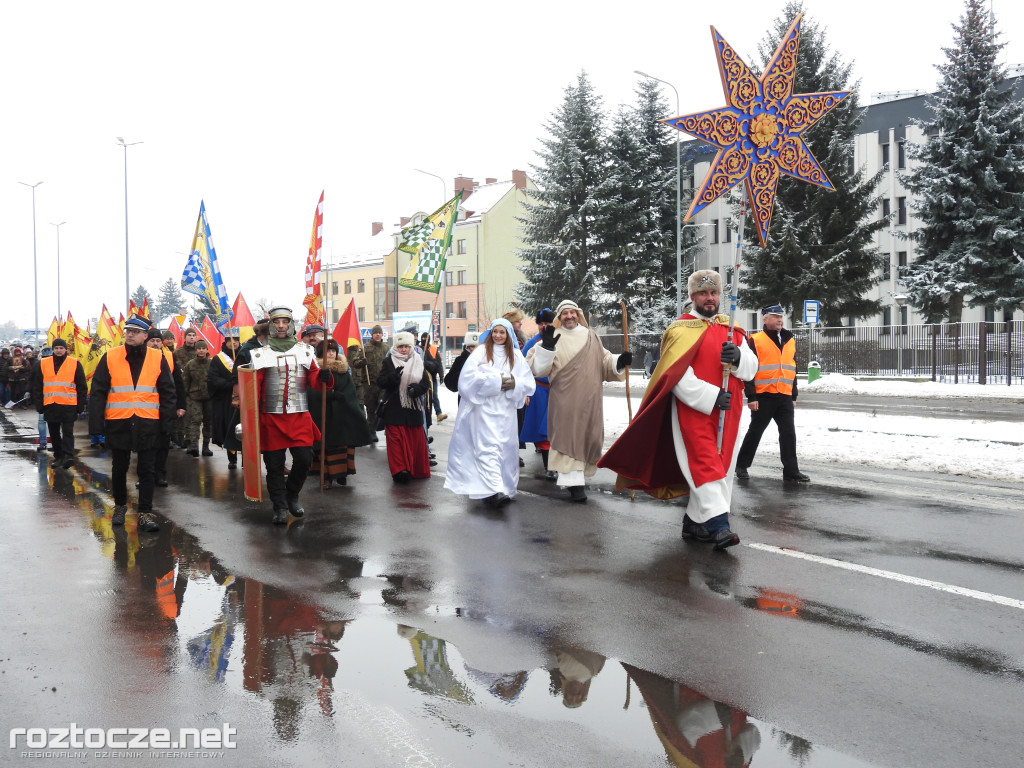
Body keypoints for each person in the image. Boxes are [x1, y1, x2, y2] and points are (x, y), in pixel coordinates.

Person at [598, 270, 758, 550]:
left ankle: (694, 523)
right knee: (705, 464)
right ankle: (719, 525)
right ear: (693, 297)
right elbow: (676, 375)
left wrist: (739, 358)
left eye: (713, 293)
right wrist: (711, 395)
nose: (709, 298)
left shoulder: (732, 329)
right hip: (694, 410)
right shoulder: (679, 330)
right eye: (703, 293)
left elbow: (751, 368)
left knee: (722, 466)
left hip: (729, 410)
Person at [525, 300, 631, 502]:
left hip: (590, 398)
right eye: (564, 313)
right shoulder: (553, 337)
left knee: (587, 437)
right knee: (567, 436)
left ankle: (578, 478)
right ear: (559, 317)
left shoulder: (591, 336)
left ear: (578, 314)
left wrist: (619, 361)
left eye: (572, 312)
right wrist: (547, 348)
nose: (569, 316)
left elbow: (604, 361)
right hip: (564, 399)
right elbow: (538, 369)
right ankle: (574, 484)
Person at [88, 314, 176, 532]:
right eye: (128, 331)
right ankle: (119, 506)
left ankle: (145, 513)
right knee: (119, 468)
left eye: (135, 332)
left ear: (145, 335)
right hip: (119, 422)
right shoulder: (110, 356)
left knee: (147, 470)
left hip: (148, 422)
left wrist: (167, 424)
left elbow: (168, 392)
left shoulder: (157, 357)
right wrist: (96, 426)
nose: (130, 335)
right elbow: (98, 392)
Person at [246, 306, 330, 524]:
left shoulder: (305, 351)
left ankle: (292, 494)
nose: (281, 326)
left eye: (285, 322)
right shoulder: (260, 354)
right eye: (277, 322)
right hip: (271, 418)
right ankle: (280, 507)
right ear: (271, 326)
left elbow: (313, 379)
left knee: (304, 459)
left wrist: (324, 376)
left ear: (291, 325)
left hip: (299, 417)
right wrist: (250, 417)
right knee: (274, 466)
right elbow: (254, 388)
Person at [444, 319, 535, 507]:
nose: (498, 336)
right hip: (484, 410)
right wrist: (494, 382)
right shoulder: (480, 352)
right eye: (495, 332)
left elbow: (527, 383)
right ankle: (492, 490)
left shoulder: (516, 356)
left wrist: (513, 383)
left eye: (502, 332)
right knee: (487, 448)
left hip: (506, 412)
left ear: (508, 335)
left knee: (505, 449)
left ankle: (505, 487)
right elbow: (467, 380)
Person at [735, 305, 810, 483]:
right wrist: (751, 397)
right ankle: (741, 465)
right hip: (764, 396)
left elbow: (792, 368)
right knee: (755, 432)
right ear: (765, 319)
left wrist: (793, 395)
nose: (779, 320)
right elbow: (749, 370)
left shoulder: (789, 340)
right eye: (775, 316)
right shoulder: (755, 340)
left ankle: (791, 471)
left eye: (781, 317)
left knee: (788, 433)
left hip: (784, 395)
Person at [309, 339, 372, 488]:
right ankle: (327, 477)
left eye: (333, 351)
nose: (331, 353)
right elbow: (312, 391)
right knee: (326, 446)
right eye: (328, 351)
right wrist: (330, 395)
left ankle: (341, 473)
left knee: (343, 444)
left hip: (341, 413)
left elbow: (350, 389)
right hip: (324, 414)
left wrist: (344, 397)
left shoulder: (343, 370)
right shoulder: (316, 370)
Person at [376, 330, 431, 483]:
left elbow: (425, 383)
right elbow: (380, 382)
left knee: (414, 442)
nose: (404, 349)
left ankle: (414, 469)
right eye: (401, 346)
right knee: (396, 443)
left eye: (406, 346)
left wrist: (416, 389)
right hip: (394, 409)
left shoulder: (417, 360)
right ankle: (399, 471)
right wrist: (392, 379)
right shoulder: (389, 361)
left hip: (413, 409)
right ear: (396, 347)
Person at [30, 338, 86, 469]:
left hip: (69, 405)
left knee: (67, 432)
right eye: (56, 348)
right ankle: (59, 456)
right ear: (53, 350)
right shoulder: (43, 363)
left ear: (66, 349)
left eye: (61, 348)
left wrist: (80, 405)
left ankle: (68, 456)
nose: (59, 350)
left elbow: (82, 386)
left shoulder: (75, 363)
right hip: (50, 404)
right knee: (54, 433)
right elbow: (37, 386)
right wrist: (39, 404)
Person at [520, 308, 556, 479]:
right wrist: (525, 391)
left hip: (559, 391)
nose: (544, 326)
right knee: (544, 431)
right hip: (539, 390)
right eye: (541, 323)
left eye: (547, 323)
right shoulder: (532, 343)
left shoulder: (562, 339)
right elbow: (522, 368)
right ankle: (549, 467)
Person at [147, 327, 182, 486]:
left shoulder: (169, 356)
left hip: (165, 407)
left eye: (158, 341)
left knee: (163, 442)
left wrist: (181, 405)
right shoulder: (140, 358)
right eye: (152, 341)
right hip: (145, 407)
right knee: (146, 444)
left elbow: (178, 383)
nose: (155, 344)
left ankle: (160, 474)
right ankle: (145, 476)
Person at [208, 330, 241, 468]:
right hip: (226, 399)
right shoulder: (217, 359)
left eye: (236, 340)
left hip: (244, 397)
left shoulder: (245, 356)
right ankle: (232, 458)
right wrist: (231, 384)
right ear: (225, 342)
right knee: (229, 427)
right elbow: (213, 379)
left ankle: (247, 459)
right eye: (230, 340)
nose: (233, 343)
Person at [181, 339, 214, 457]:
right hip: (194, 397)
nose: (201, 350)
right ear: (196, 350)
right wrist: (184, 397)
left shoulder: (212, 363)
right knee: (195, 421)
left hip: (209, 397)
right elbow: (185, 381)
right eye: (199, 348)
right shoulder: (190, 364)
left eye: (203, 348)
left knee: (208, 422)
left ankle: (206, 447)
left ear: (207, 350)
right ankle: (194, 445)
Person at [361, 325, 390, 442]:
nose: (378, 334)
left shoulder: (387, 348)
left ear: (382, 334)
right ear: (372, 334)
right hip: (370, 384)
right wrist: (361, 362)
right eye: (375, 333)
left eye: (379, 333)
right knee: (371, 408)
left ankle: (388, 430)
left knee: (384, 407)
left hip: (383, 384)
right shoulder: (365, 348)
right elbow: (357, 364)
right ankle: (371, 432)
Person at [420, 332, 446, 422]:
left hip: (433, 378)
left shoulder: (434, 349)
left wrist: (441, 375)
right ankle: (426, 415)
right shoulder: (419, 348)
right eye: (423, 338)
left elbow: (439, 363)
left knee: (434, 395)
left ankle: (438, 413)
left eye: (426, 338)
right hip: (422, 378)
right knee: (425, 398)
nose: (424, 340)